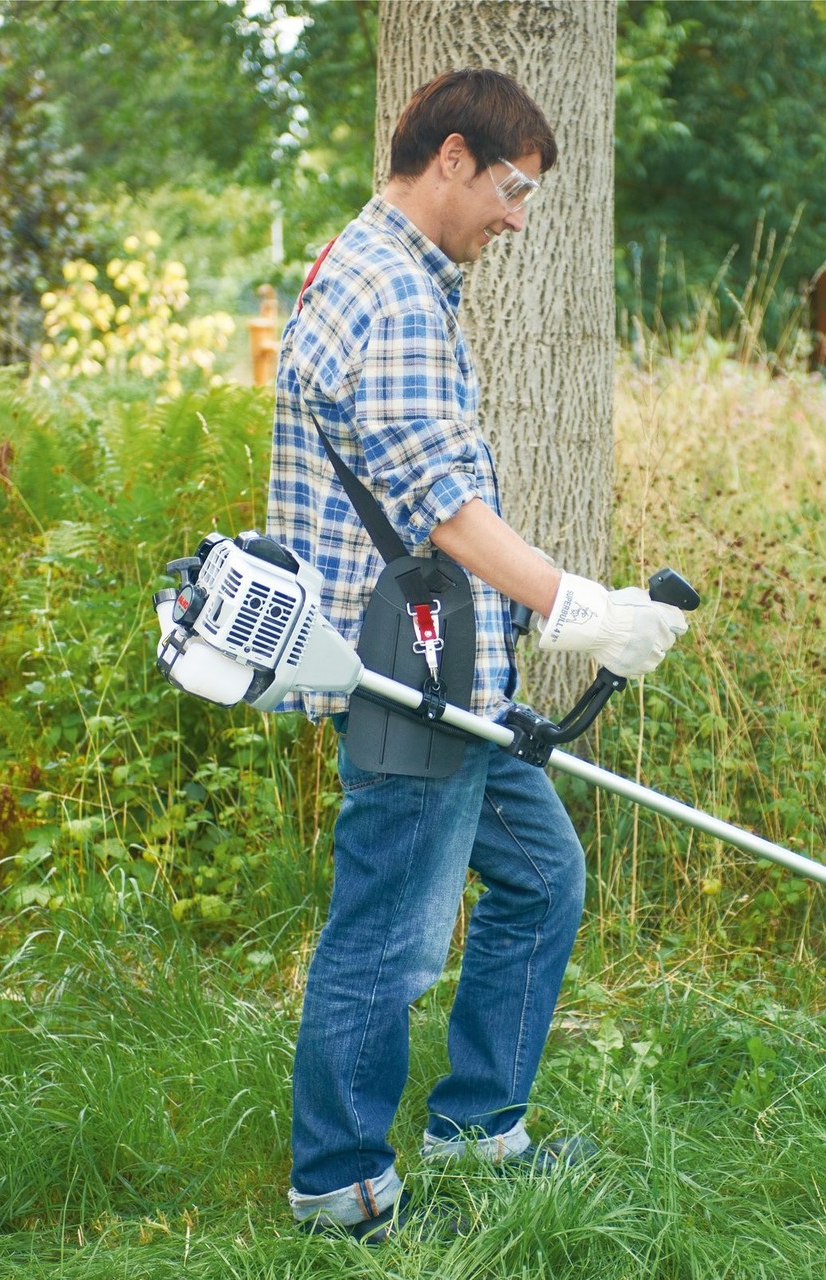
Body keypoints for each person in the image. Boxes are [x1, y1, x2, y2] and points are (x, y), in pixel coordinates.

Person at [266, 68, 688, 1243]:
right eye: (509, 189)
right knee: (390, 938)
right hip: (412, 678)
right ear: (450, 157)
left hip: (456, 679)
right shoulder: (392, 292)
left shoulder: (386, 266)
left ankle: (476, 1126)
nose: (516, 216)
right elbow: (446, 508)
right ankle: (341, 1187)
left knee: (542, 879)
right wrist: (583, 608)